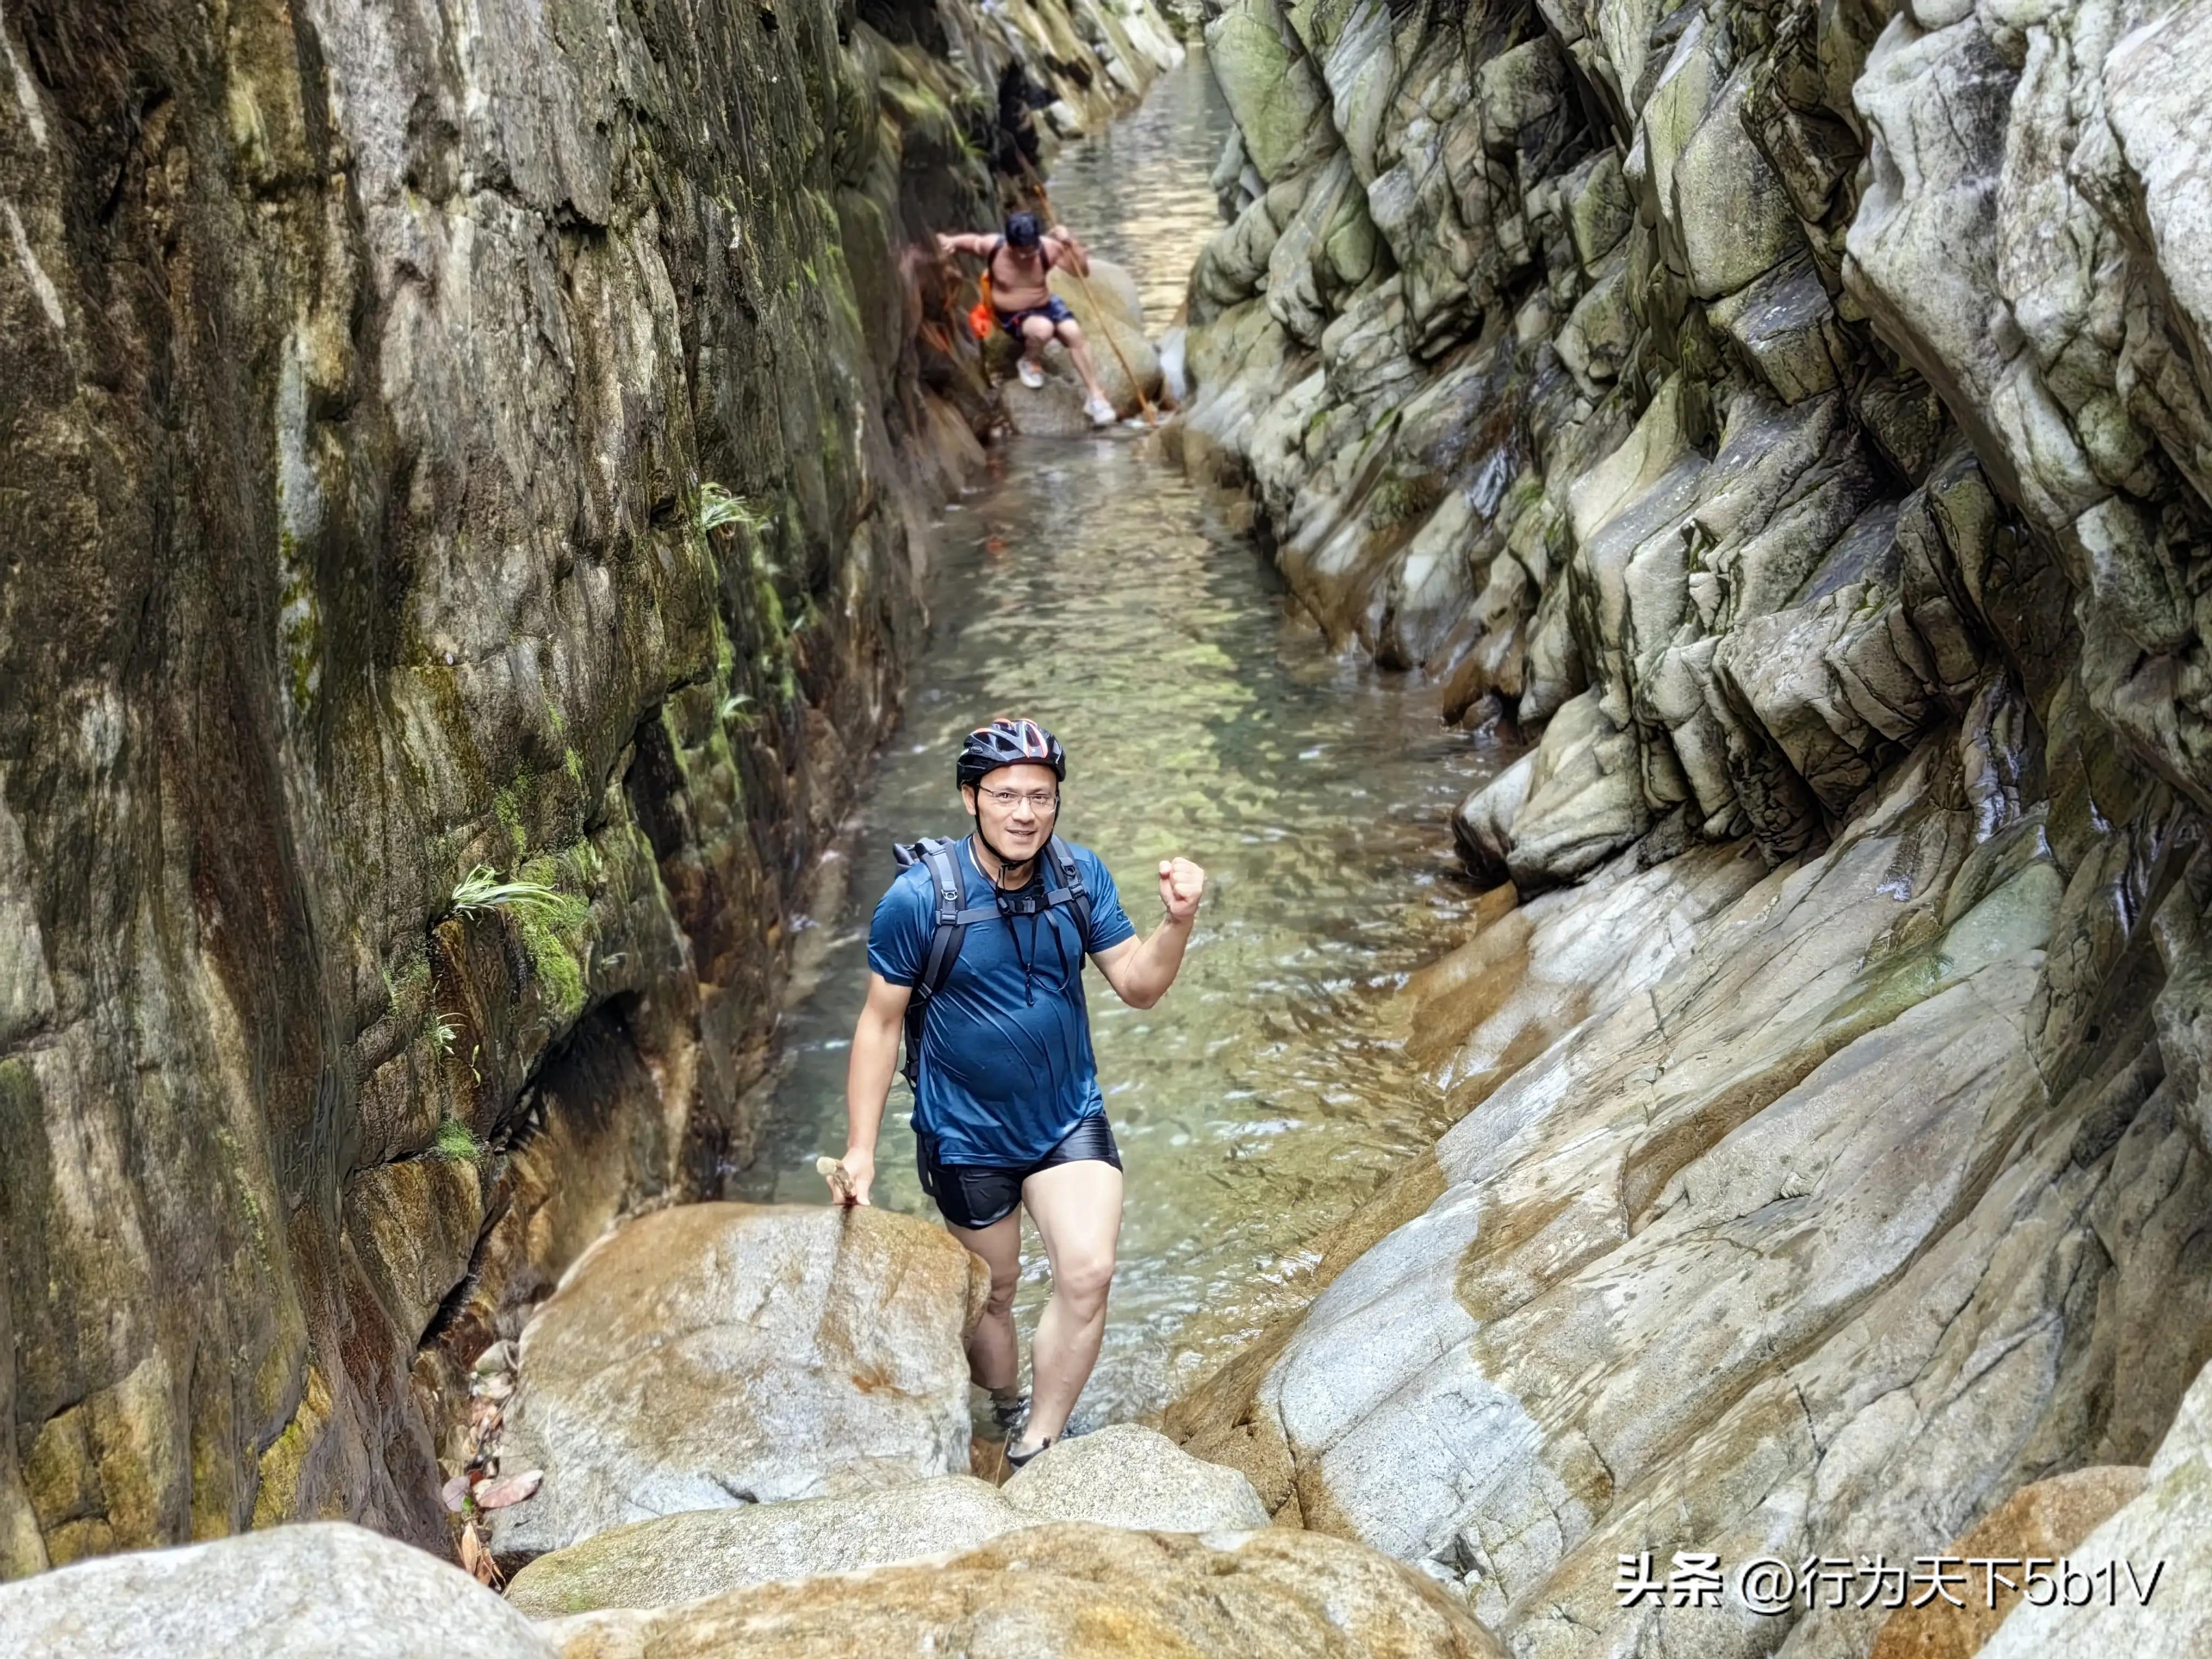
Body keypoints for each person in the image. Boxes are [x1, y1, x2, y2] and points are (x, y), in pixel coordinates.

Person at [825, 718, 1205, 1466]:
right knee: (994, 1294)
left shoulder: (1078, 877)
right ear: (972, 798)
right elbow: (879, 1025)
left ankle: (1039, 1442)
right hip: (964, 1135)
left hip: (1067, 1117)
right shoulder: (917, 901)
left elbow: (1138, 984)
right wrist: (861, 1151)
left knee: (1088, 1270)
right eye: (1005, 796)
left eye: (1041, 797)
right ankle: (1000, 1413)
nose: (1024, 814)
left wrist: (1178, 922)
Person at [938, 213, 1119, 428]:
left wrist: (1070, 243)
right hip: (1013, 313)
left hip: (1046, 304)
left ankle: (1095, 396)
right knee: (1043, 329)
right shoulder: (995, 247)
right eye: (1021, 252)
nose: (1026, 257)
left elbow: (1081, 272)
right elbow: (974, 243)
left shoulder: (1049, 248)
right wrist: (951, 242)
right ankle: (1029, 361)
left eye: (1031, 250)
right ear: (1010, 245)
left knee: (1074, 333)